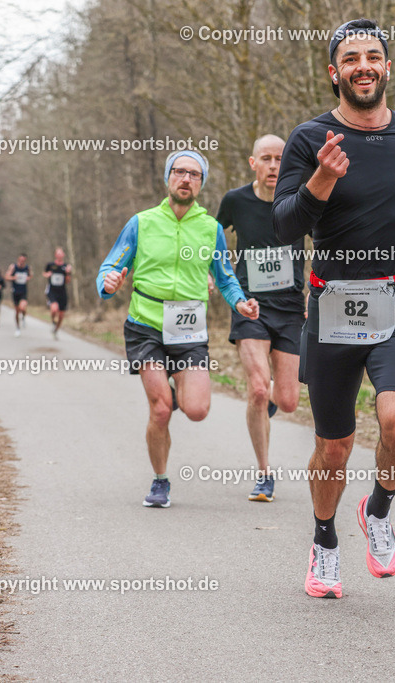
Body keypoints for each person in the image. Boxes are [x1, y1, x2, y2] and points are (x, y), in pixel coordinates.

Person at [274, 18, 395, 599]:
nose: (362, 65)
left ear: (387, 67)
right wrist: (321, 183)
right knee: (334, 443)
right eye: (350, 57)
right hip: (333, 305)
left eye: (372, 56)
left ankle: (377, 509)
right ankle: (324, 540)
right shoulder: (311, 140)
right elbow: (284, 227)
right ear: (334, 72)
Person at [97, 150, 259, 508]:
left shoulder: (211, 229)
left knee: (197, 409)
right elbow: (110, 265)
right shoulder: (141, 222)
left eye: (194, 174)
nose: (186, 179)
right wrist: (108, 283)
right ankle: (160, 481)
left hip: (188, 328)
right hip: (146, 325)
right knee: (160, 410)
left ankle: (173, 387)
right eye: (179, 172)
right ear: (168, 178)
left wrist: (240, 303)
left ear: (201, 183)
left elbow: (226, 278)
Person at [217, 134, 304, 502]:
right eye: (265, 158)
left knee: (287, 402)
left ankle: (265, 406)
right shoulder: (235, 201)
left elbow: (328, 240)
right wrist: (212, 271)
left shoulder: (302, 200)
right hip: (249, 306)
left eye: (279, 158)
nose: (273, 165)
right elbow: (212, 237)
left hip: (291, 309)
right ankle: (264, 474)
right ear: (253, 163)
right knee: (256, 388)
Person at [44, 247, 72, 340]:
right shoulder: (50, 265)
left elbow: (68, 281)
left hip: (62, 292)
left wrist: (67, 273)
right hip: (52, 291)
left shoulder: (66, 266)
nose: (59, 255)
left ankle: (55, 331)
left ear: (63, 255)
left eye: (61, 253)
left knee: (61, 316)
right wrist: (47, 275)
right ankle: (53, 322)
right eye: (58, 253)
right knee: (54, 309)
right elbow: (44, 273)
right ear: (55, 255)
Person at [7, 253, 31, 337]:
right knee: (17, 311)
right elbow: (7, 277)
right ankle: (17, 328)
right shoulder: (13, 267)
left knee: (22, 307)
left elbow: (30, 276)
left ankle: (23, 318)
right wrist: (14, 278)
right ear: (18, 259)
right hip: (15, 291)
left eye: (23, 260)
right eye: (20, 260)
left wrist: (28, 278)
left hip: (23, 291)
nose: (22, 262)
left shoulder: (27, 268)